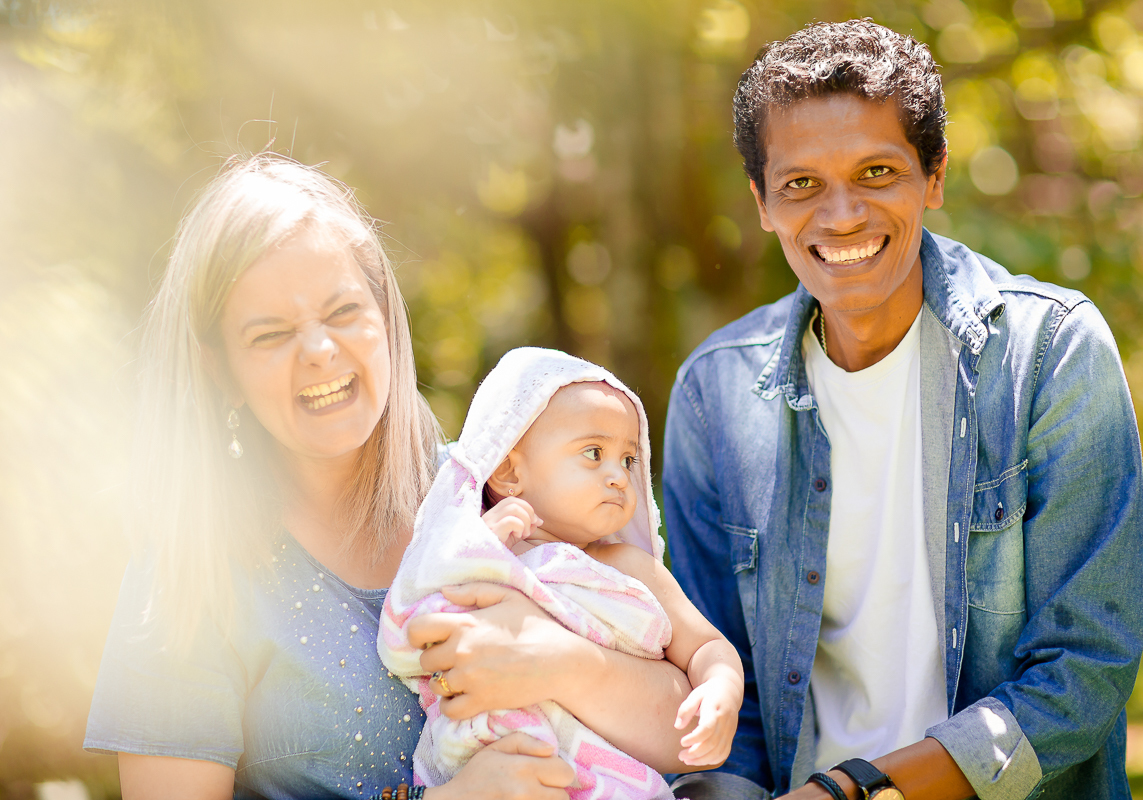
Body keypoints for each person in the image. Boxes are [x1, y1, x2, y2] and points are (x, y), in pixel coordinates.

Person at [83, 155, 700, 800]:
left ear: (385, 317)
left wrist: (560, 662)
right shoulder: (188, 573)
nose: (319, 349)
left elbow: (687, 737)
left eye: (343, 310)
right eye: (270, 334)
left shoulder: (496, 496)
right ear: (220, 372)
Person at [663, 19, 1143, 800]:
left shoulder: (1049, 353)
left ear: (934, 178)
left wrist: (857, 791)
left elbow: (1084, 667)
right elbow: (720, 681)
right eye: (801, 184)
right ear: (761, 201)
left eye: (878, 171)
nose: (842, 215)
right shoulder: (713, 393)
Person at [377, 348, 743, 799]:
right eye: (594, 453)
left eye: (629, 459)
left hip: (606, 782)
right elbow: (408, 630)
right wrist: (469, 551)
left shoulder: (633, 569)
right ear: (510, 471)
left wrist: (722, 683)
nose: (619, 477)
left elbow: (705, 645)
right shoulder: (484, 552)